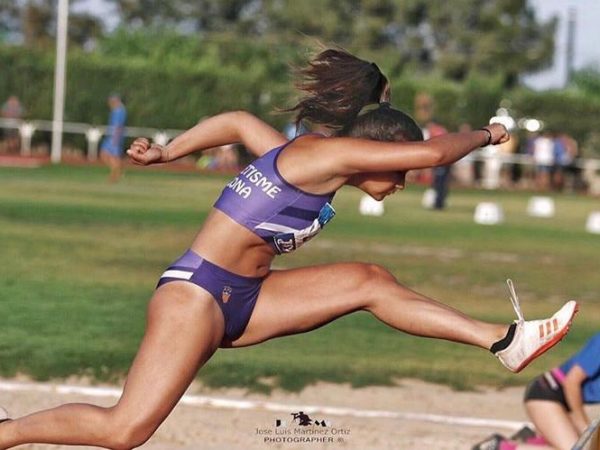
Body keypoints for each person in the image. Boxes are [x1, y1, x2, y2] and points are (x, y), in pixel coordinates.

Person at [0, 49, 577, 450]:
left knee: (368, 280)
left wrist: (171, 151)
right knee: (125, 430)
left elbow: (236, 120)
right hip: (196, 294)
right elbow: (429, 157)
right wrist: (489, 134)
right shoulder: (324, 157)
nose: (399, 183)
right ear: (377, 152)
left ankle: (504, 340)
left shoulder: (302, 157)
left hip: (247, 297)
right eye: (394, 170)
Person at [473, 332, 600, 450]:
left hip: (564, 402)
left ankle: (534, 439)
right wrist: (583, 425)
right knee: (578, 447)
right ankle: (502, 446)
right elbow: (571, 382)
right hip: (547, 393)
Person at [414, 92, 450, 209]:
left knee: (439, 183)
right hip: (443, 159)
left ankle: (439, 203)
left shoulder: (435, 131)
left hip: (441, 159)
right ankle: (439, 201)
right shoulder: (440, 130)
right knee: (440, 183)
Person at [100, 93, 127, 183]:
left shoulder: (119, 111)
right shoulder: (116, 111)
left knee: (111, 156)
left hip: (114, 137)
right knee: (107, 155)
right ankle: (117, 173)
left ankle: (115, 175)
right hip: (112, 136)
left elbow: (119, 126)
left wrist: (116, 139)